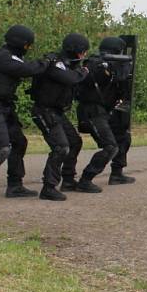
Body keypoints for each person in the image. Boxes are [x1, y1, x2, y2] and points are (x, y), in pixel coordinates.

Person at [0, 25, 49, 206]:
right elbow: (28, 69)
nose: (28, 48)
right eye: (28, 45)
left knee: (19, 142)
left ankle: (15, 185)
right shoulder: (2, 57)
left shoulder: (8, 56)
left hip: (5, 107)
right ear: (23, 43)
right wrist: (46, 62)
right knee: (2, 148)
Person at [29, 33, 90, 201]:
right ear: (76, 51)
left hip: (57, 112)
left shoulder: (68, 64)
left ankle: (68, 179)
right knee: (61, 147)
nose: (84, 55)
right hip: (44, 110)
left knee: (75, 142)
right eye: (83, 52)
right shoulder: (55, 63)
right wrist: (85, 69)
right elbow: (71, 79)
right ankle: (49, 187)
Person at [74, 36, 135, 189]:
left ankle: (117, 174)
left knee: (123, 136)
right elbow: (88, 79)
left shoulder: (118, 65)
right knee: (110, 146)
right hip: (92, 111)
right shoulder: (95, 64)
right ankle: (86, 179)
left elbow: (121, 82)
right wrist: (107, 67)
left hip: (106, 110)